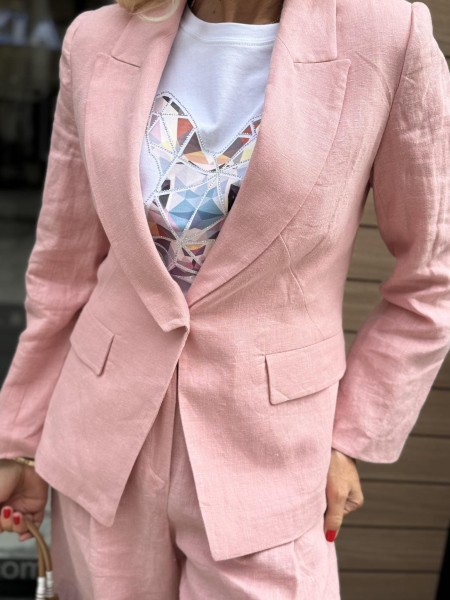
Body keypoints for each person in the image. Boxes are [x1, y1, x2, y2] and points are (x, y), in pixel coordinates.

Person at [1, 0, 449, 597]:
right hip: (100, 443)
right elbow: (62, 265)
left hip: (271, 459)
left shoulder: (387, 36)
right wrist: (22, 439)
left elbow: (431, 275)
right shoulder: (96, 38)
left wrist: (349, 437)